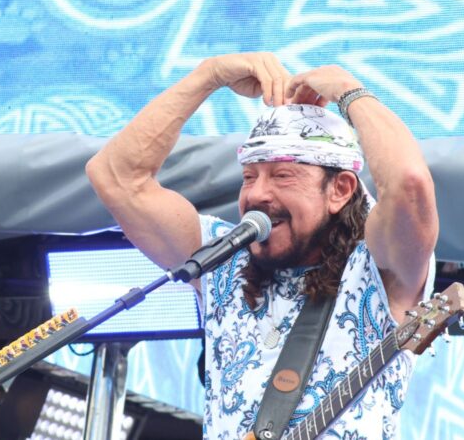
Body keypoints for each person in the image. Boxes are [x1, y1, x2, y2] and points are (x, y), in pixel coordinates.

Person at [86, 52, 438, 439]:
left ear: (339, 189)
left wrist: (348, 92)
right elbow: (116, 177)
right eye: (249, 176)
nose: (257, 194)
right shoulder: (223, 263)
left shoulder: (376, 271)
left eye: (283, 175)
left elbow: (409, 184)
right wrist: (210, 74)